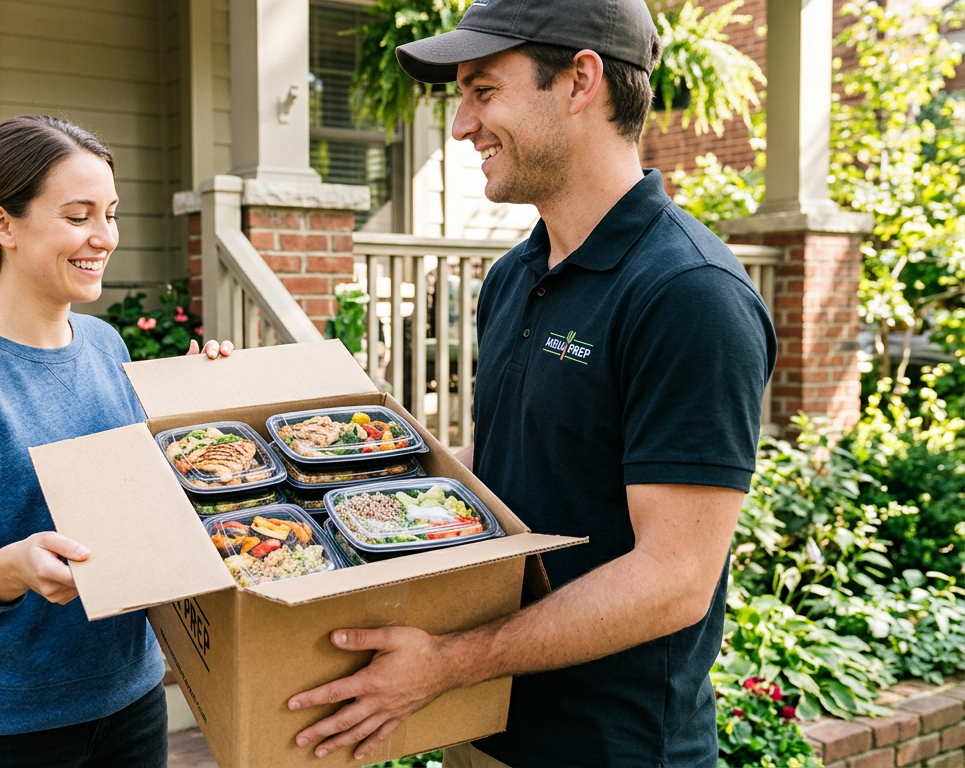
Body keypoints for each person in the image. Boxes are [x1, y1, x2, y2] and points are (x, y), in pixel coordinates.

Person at [286, 1, 777, 766]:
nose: (460, 126)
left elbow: (675, 578)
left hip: (611, 748)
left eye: (483, 91)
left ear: (581, 80)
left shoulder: (689, 293)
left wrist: (449, 662)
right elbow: (511, 489)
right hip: (482, 724)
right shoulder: (515, 276)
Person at [0, 115, 232, 768]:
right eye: (79, 216)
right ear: (3, 224)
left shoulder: (106, 346)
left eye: (110, 213)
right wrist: (13, 567)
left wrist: (203, 416)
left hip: (131, 698)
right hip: (5, 728)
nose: (103, 238)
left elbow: (138, 501)